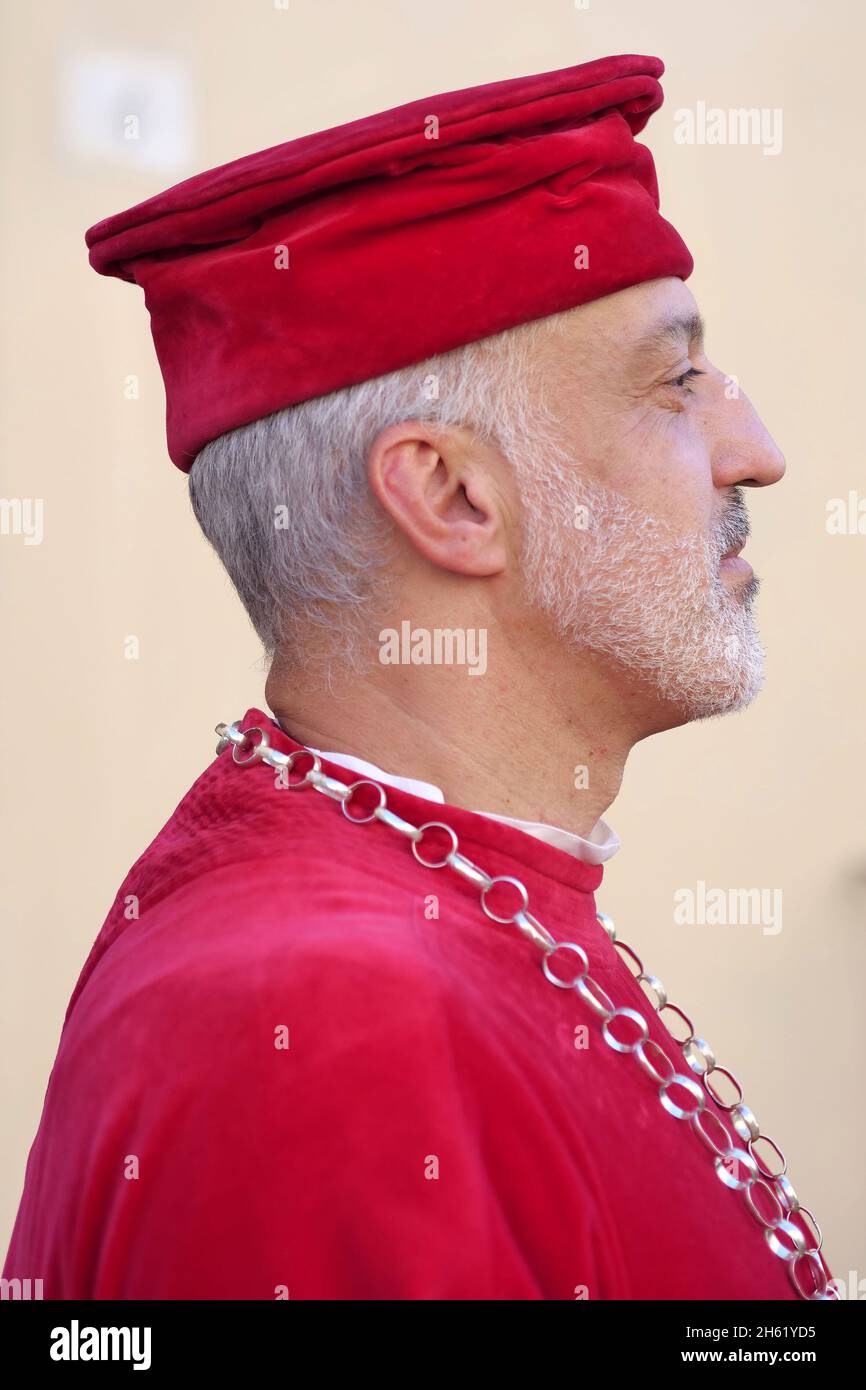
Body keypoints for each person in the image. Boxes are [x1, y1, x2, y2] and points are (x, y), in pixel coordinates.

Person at [3, 53, 832, 1300]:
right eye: (673, 384)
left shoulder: (459, 899)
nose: (755, 454)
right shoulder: (319, 1021)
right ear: (450, 496)